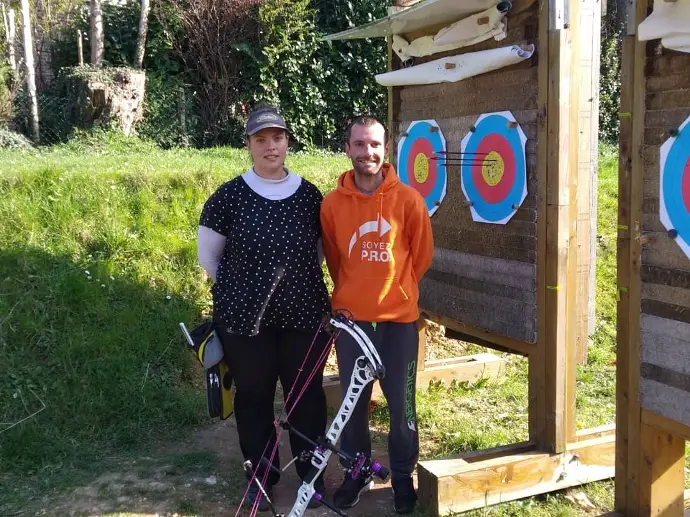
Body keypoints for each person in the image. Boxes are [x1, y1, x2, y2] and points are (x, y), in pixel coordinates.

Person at [197, 105, 331, 511]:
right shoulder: (228, 197)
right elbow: (209, 259)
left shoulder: (310, 196)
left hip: (303, 316)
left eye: (278, 138)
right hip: (245, 321)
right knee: (253, 395)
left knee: (306, 396)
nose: (270, 146)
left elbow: (320, 255)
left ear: (288, 141)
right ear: (248, 145)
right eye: (261, 139)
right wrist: (248, 290)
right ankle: (261, 475)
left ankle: (312, 476)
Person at [319, 115, 434, 514]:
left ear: (386, 150)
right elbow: (335, 260)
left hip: (398, 322)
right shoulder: (332, 205)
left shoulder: (409, 201)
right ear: (347, 148)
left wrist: (398, 293)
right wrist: (355, 296)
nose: (367, 152)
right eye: (359, 144)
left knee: (402, 407)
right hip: (352, 322)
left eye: (375, 145)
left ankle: (402, 477)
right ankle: (356, 471)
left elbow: (420, 257)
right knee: (352, 405)